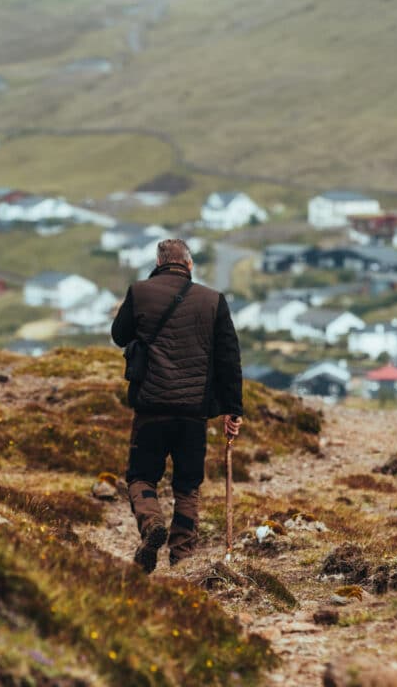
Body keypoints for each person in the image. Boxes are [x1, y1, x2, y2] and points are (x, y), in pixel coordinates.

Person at [111, 238, 243, 573]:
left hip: (151, 409)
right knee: (187, 485)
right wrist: (233, 410)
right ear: (189, 265)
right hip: (193, 413)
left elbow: (119, 335)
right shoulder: (213, 300)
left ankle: (151, 523)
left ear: (158, 262)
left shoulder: (139, 291)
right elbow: (229, 359)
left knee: (141, 476)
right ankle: (182, 556)